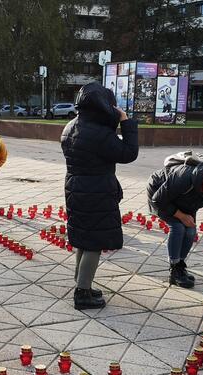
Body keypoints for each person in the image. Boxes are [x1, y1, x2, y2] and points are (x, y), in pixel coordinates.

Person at [62, 82, 139, 310]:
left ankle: (81, 284)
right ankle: (82, 293)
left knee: (84, 239)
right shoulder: (99, 133)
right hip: (96, 190)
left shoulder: (71, 125)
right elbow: (129, 153)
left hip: (75, 186)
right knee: (94, 241)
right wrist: (126, 123)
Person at [146, 152, 203, 288]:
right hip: (160, 193)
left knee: (191, 231)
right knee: (178, 227)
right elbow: (157, 200)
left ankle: (180, 266)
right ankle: (174, 270)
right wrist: (180, 215)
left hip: (185, 201)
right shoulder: (183, 178)